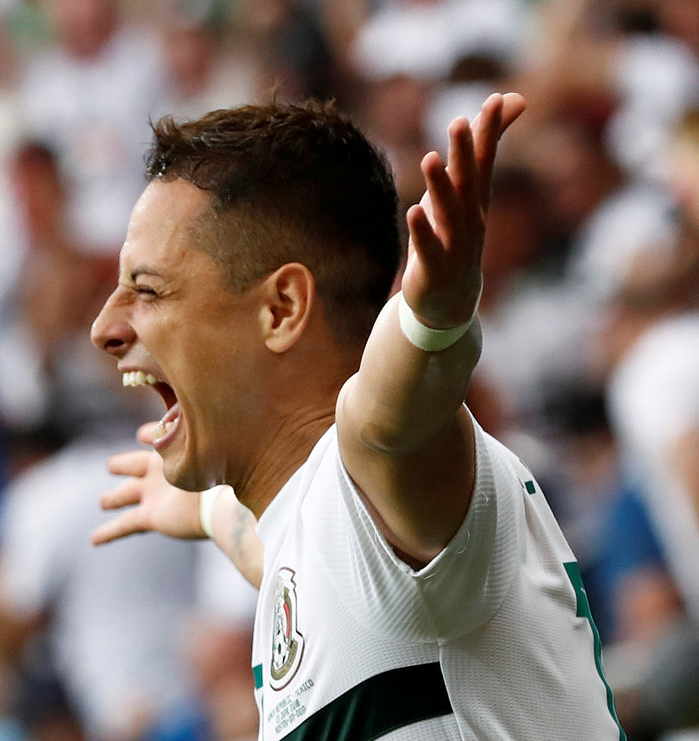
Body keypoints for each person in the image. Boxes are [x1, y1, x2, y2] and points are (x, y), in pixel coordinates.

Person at [89, 93, 625, 739]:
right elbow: (292, 550)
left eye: (148, 290)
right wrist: (203, 509)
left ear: (283, 308)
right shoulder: (320, 539)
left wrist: (430, 321)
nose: (104, 328)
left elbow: (389, 418)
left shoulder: (383, 466)